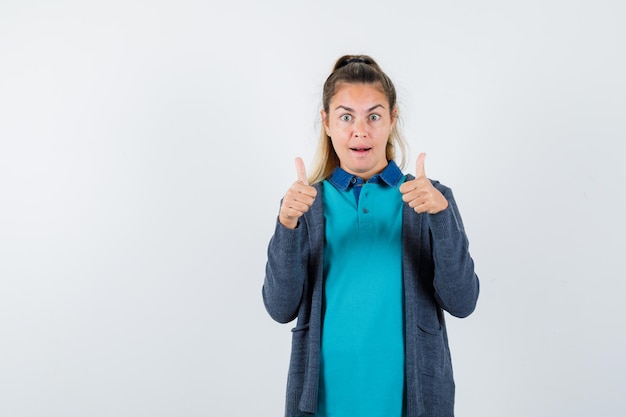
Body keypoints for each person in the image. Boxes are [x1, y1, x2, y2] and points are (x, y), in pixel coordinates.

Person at [262, 54, 479, 417]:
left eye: (373, 116)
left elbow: (463, 302)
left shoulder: (430, 199)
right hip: (324, 402)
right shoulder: (304, 204)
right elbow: (279, 308)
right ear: (327, 122)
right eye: (346, 116)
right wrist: (287, 226)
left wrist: (441, 218)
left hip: (410, 401)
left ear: (392, 120)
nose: (360, 130)